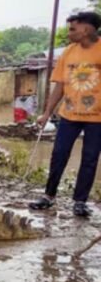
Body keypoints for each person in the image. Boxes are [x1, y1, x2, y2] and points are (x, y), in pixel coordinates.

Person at [29, 12, 101, 218]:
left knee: (89, 159)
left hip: (97, 119)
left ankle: (80, 201)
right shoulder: (68, 53)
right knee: (59, 154)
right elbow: (59, 86)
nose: (69, 33)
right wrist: (46, 113)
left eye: (72, 29)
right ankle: (48, 196)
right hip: (68, 116)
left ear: (86, 29)